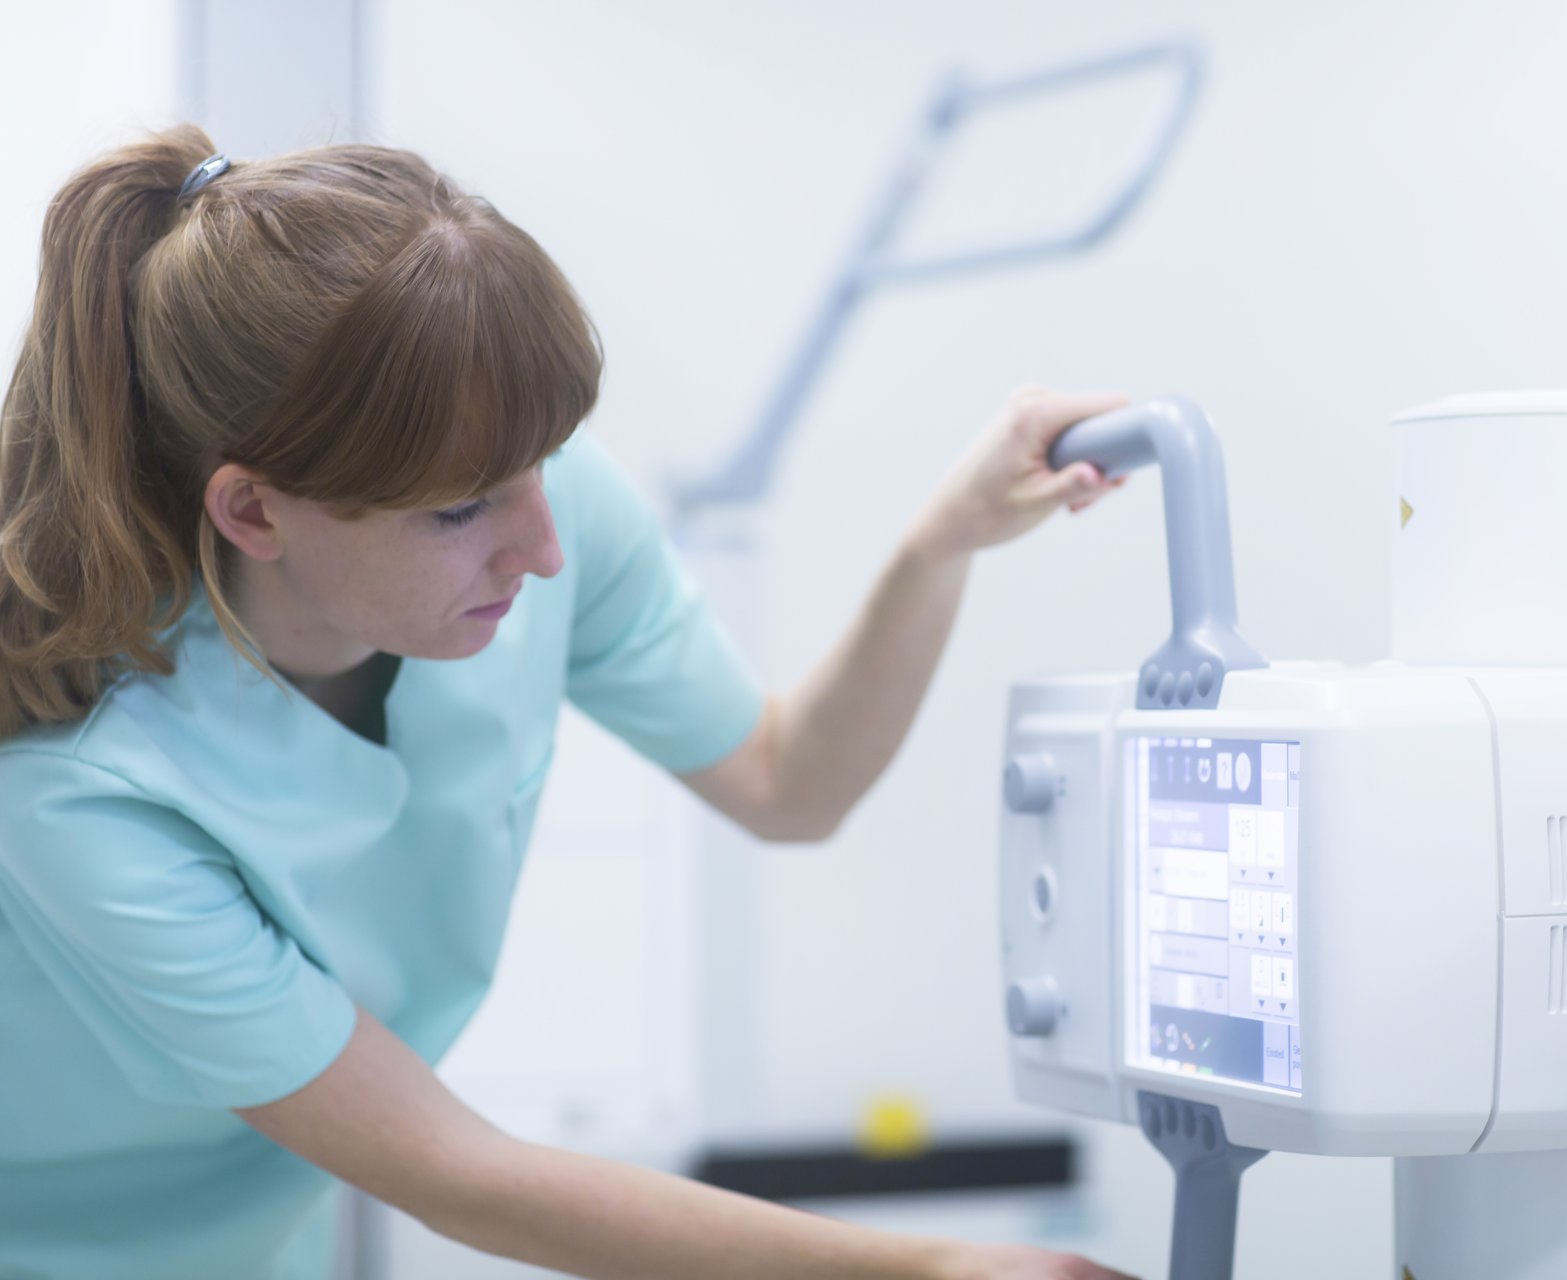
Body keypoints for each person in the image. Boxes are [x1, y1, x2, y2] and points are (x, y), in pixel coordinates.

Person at [0, 125, 1135, 1280]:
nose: (543, 550)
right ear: (253, 512)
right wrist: (927, 1269)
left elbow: (789, 781)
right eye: (461, 512)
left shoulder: (542, 505)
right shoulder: (83, 786)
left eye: (546, 463)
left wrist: (944, 540)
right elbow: (458, 1174)